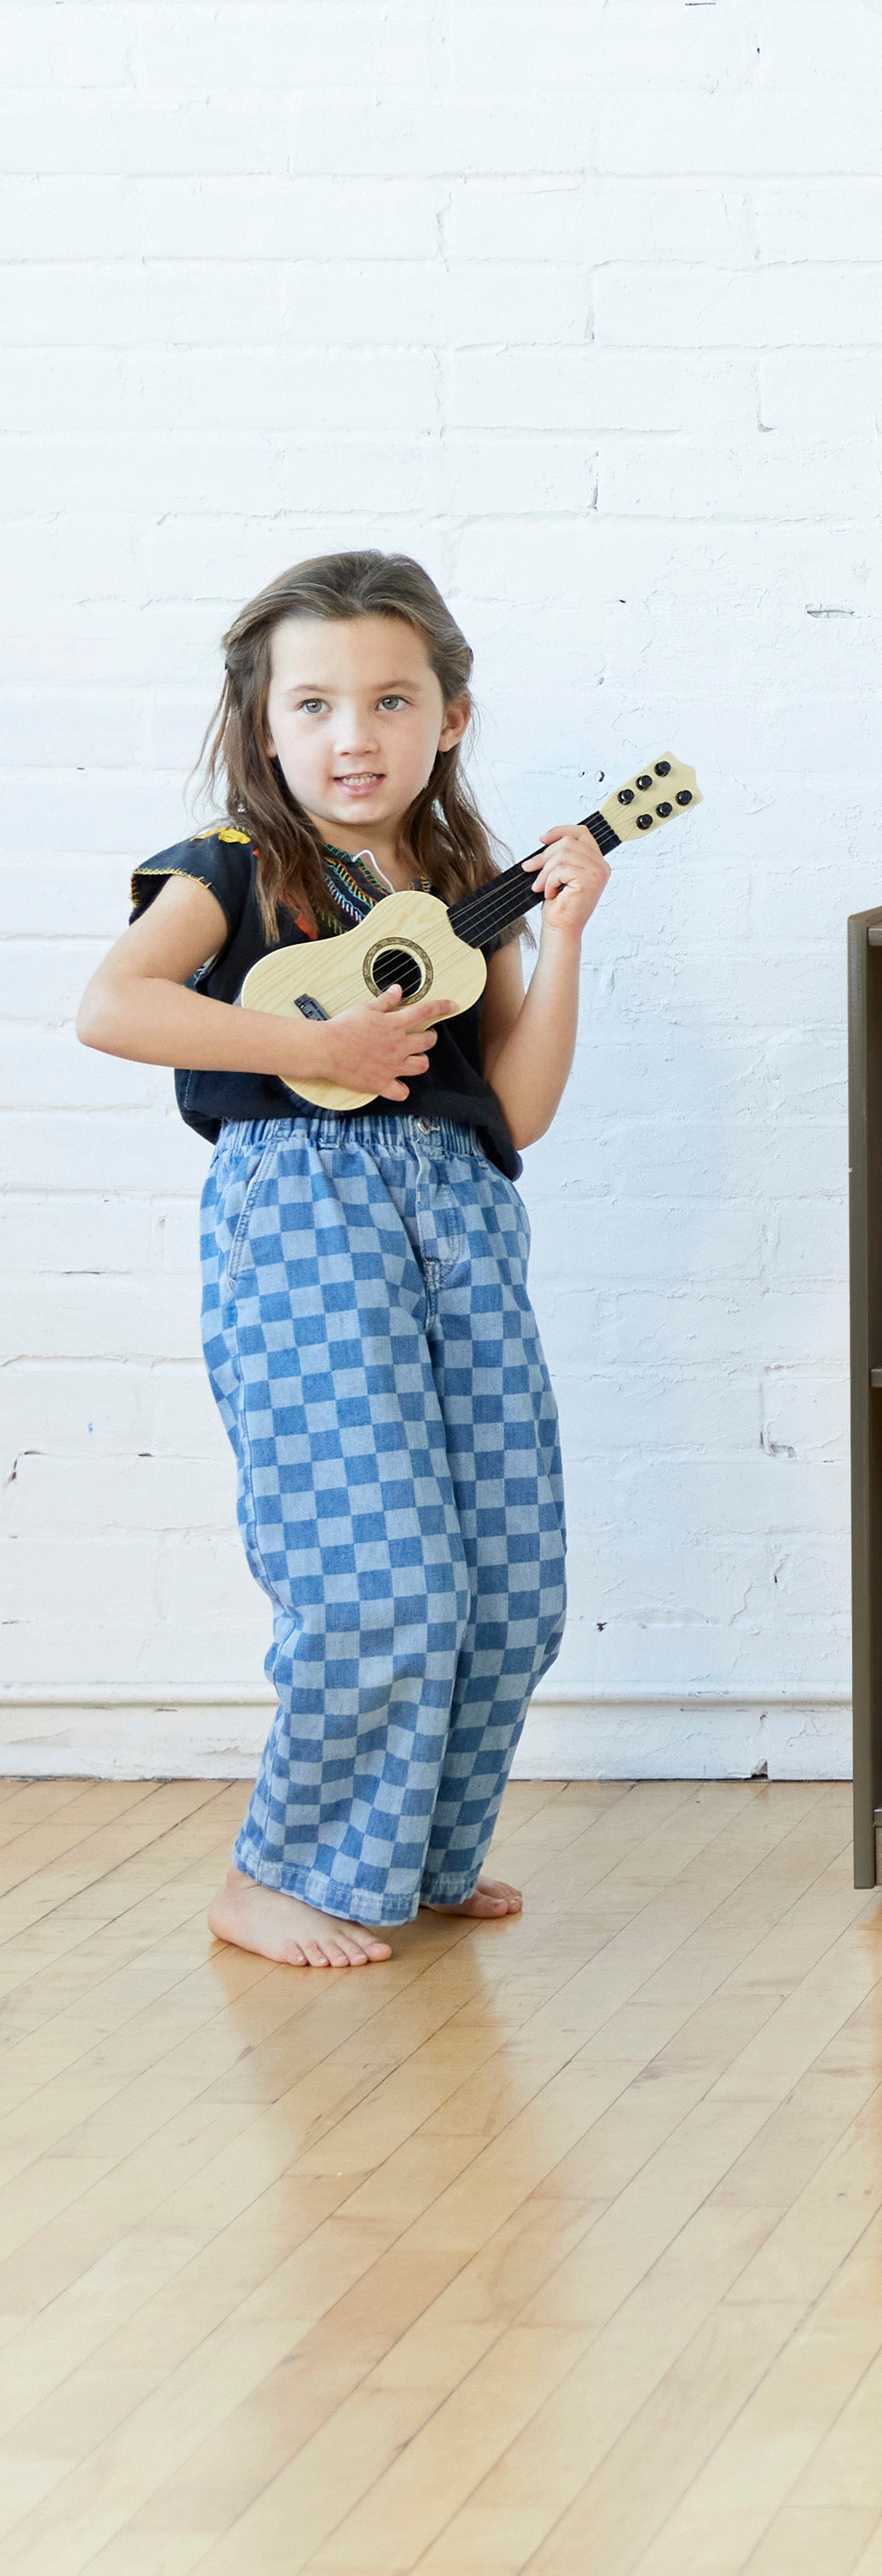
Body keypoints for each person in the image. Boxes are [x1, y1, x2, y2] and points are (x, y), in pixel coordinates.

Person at [76, 551, 609, 1969]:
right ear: (266, 727)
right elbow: (113, 1006)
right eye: (313, 705)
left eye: (389, 700)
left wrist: (560, 941)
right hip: (305, 1218)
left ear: (452, 718)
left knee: (511, 1575)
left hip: (464, 1217)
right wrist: (316, 1049)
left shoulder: (454, 893)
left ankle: (415, 1857)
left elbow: (525, 1107)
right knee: (377, 1575)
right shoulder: (233, 872)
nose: (352, 735)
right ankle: (276, 1874)